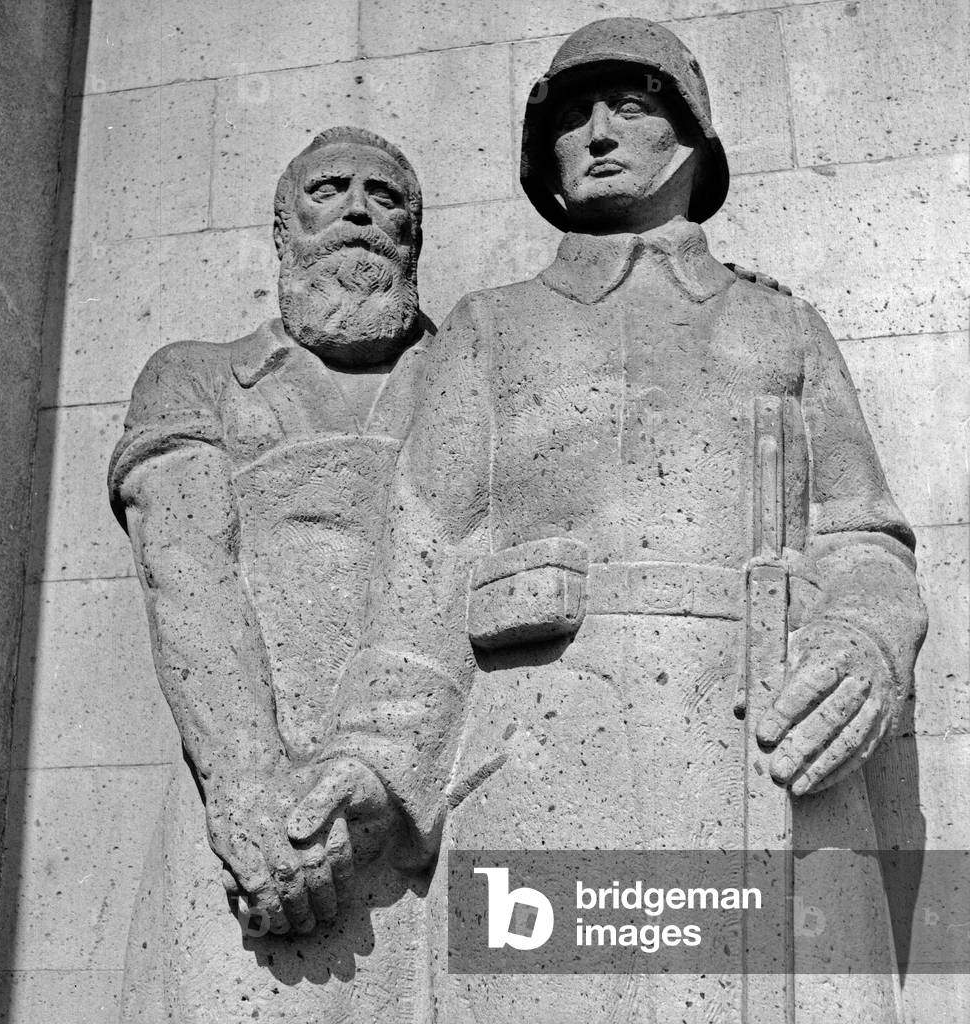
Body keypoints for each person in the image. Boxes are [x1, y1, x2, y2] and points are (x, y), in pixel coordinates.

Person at [286, 20, 927, 1023]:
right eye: (572, 116)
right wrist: (371, 758)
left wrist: (864, 644)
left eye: (629, 106)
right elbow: (424, 567)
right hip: (546, 750)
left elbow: (861, 538)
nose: (594, 134)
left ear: (690, 134)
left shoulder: (780, 326)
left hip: (754, 743)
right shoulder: (490, 331)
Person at [108, 126, 434, 1022]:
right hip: (250, 815)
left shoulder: (469, 376)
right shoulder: (197, 376)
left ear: (414, 236)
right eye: (331, 192)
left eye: (388, 198)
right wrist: (253, 794)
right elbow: (186, 575)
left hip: (422, 810)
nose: (361, 211)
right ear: (284, 231)